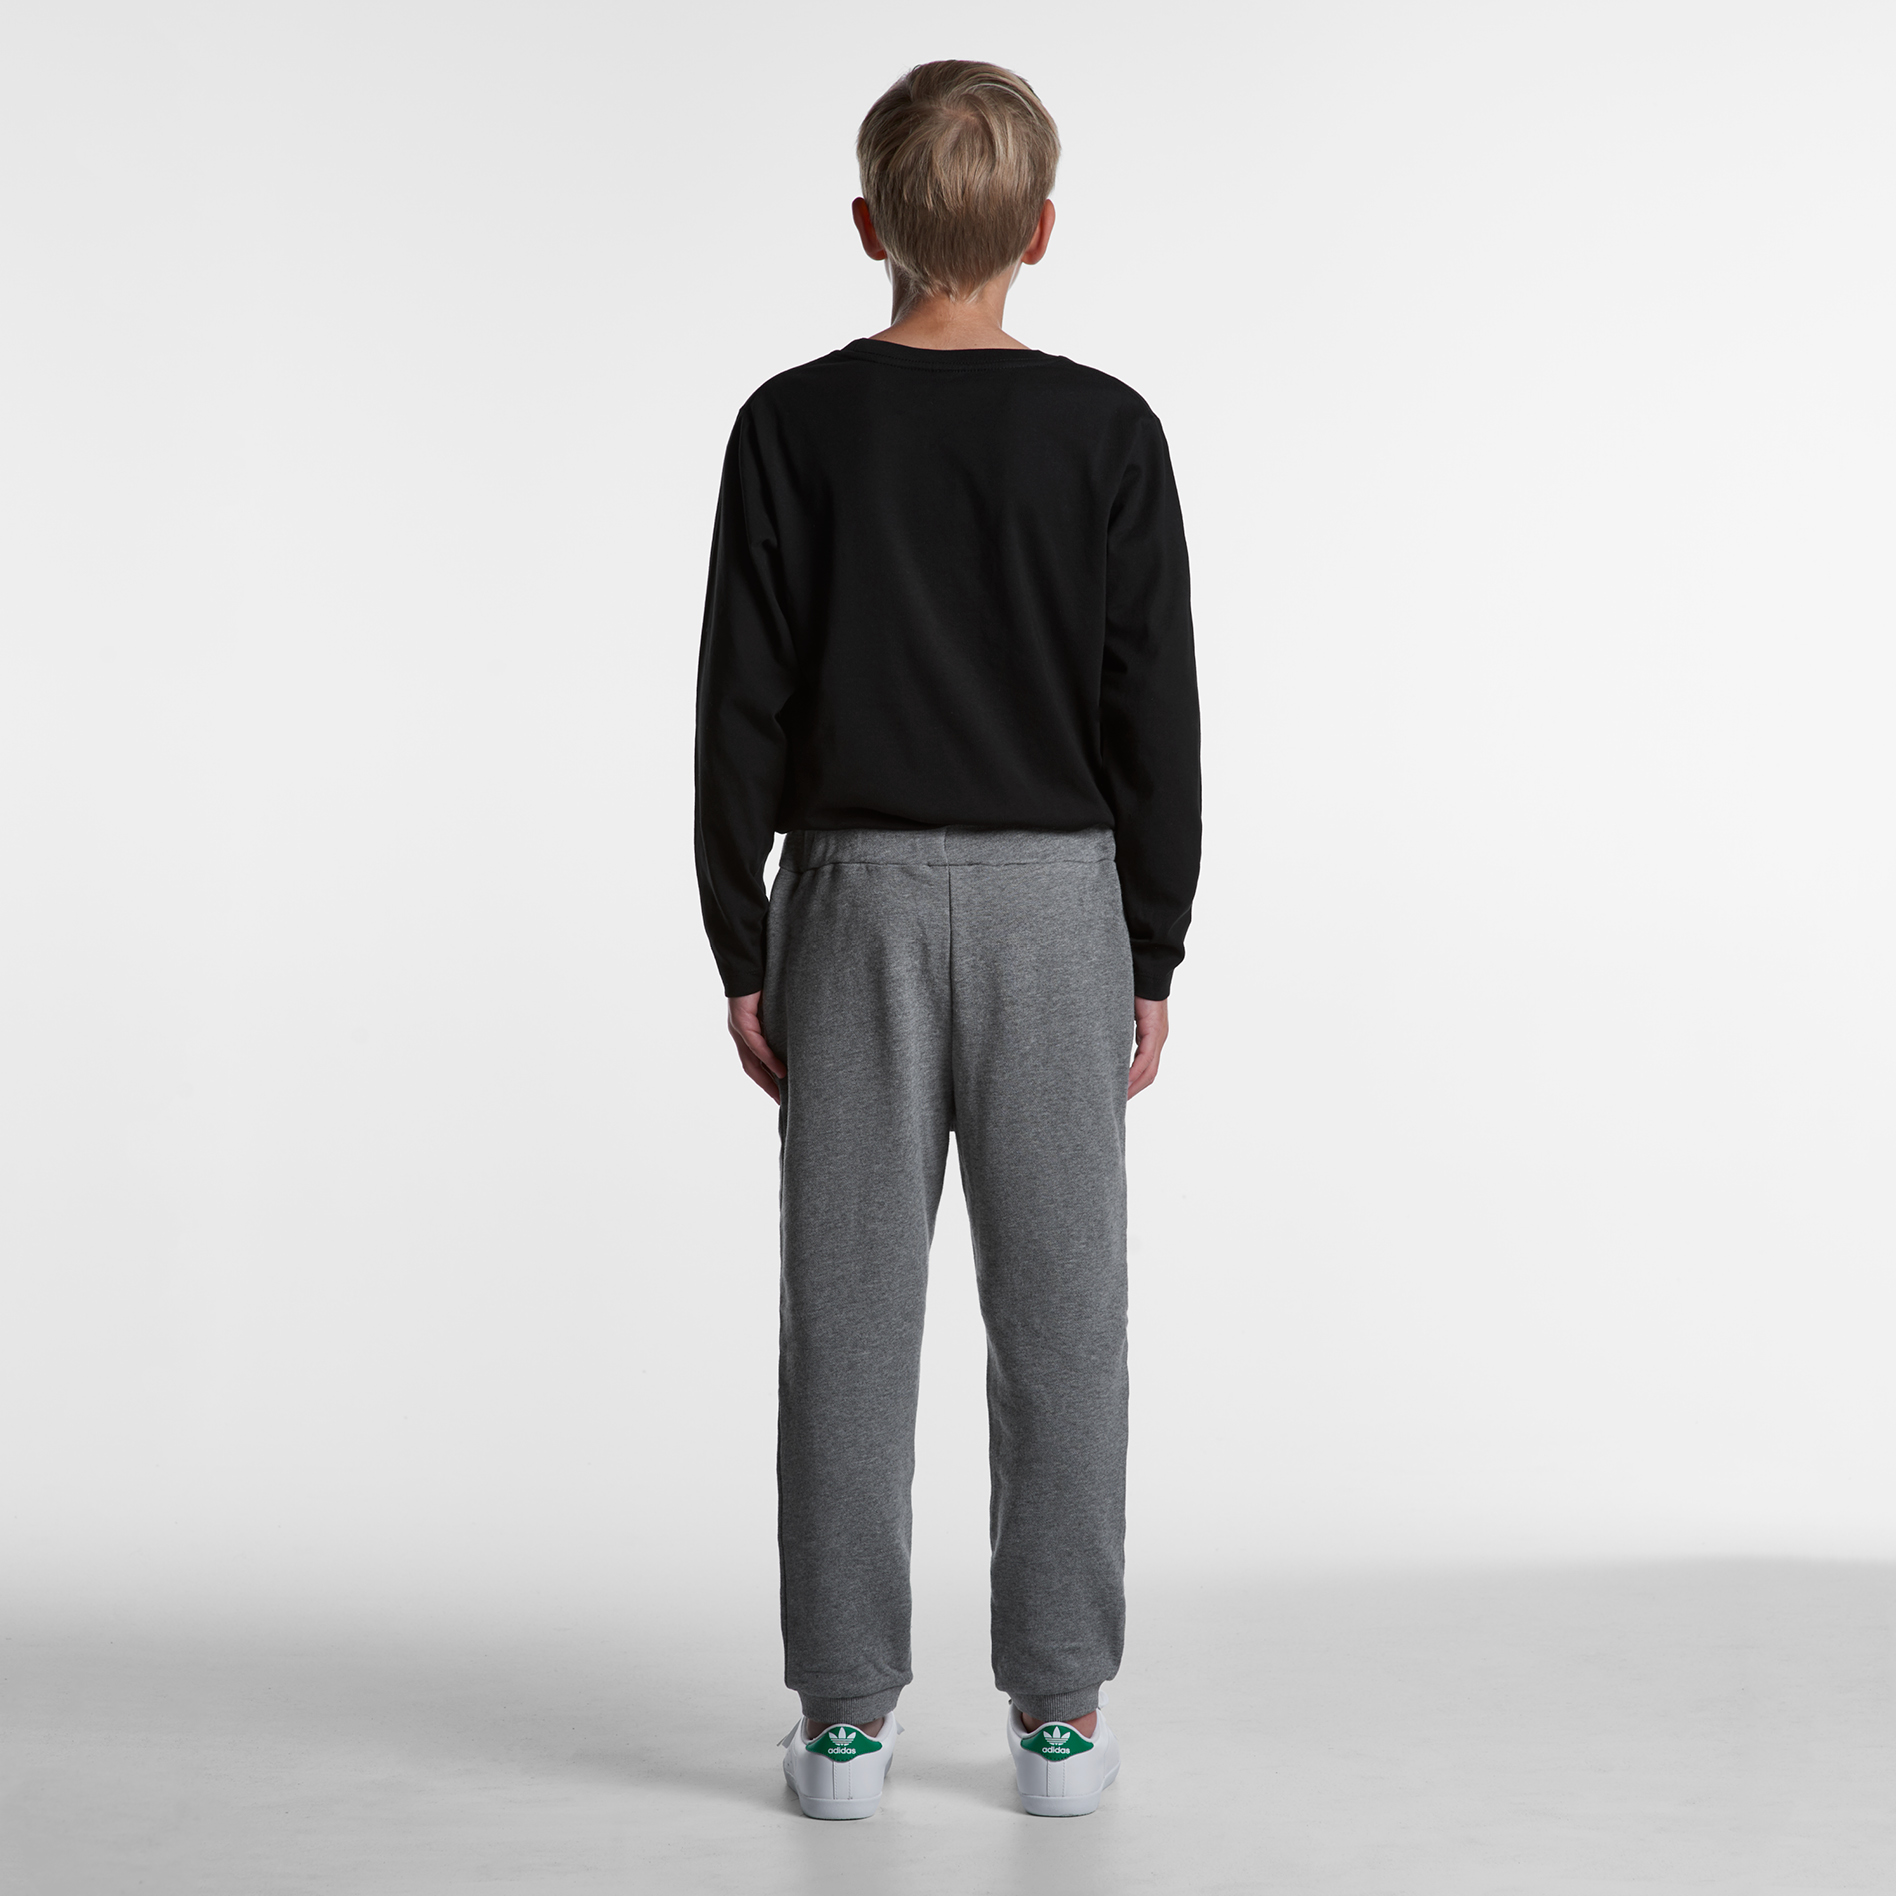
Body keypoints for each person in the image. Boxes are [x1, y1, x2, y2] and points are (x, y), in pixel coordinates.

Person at [693, 58, 1200, 1821]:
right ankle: (1057, 1718)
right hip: (1060, 903)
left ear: (868, 228)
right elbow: (1153, 713)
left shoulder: (791, 426)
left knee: (845, 1321)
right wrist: (1152, 948)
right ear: (1042, 232)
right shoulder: (1107, 432)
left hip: (852, 900)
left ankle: (845, 1726)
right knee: (1064, 1319)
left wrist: (740, 939)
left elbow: (739, 704)